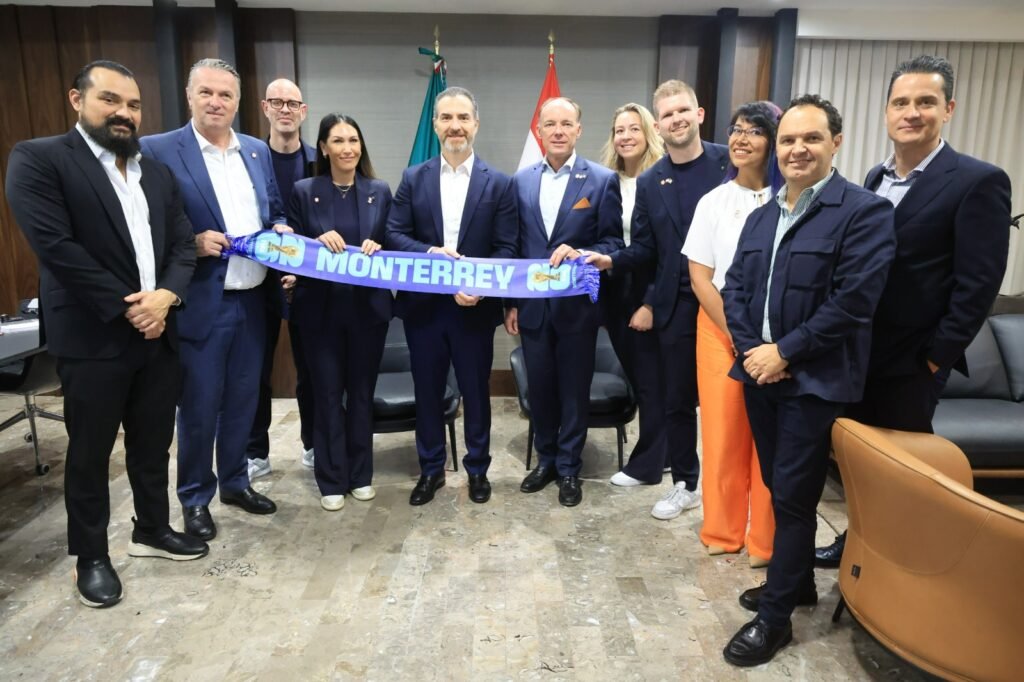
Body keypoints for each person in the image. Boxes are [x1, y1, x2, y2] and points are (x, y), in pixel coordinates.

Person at [6, 60, 208, 608]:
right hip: (94, 336)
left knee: (152, 443)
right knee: (90, 453)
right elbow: (57, 248)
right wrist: (133, 309)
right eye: (111, 100)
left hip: (159, 331)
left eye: (134, 105)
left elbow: (182, 245)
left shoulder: (155, 173)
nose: (124, 113)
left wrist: (166, 297)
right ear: (77, 100)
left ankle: (152, 529)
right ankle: (90, 556)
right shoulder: (40, 159)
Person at [814, 55, 1012, 568]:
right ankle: (860, 543)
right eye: (901, 102)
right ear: (886, 112)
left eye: (926, 102)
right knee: (862, 461)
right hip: (860, 353)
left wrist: (935, 357)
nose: (912, 112)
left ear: (948, 109)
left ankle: (898, 566)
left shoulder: (978, 181)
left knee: (902, 468)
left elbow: (978, 284)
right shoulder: (874, 178)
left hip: (912, 361)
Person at [719, 95, 896, 666]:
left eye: (811, 138)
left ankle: (775, 621)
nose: (798, 149)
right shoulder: (762, 216)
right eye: (789, 140)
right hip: (759, 375)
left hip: (814, 382)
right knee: (779, 486)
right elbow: (734, 290)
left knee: (794, 497)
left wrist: (785, 353)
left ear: (835, 143)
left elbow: (854, 301)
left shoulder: (864, 212)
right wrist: (753, 351)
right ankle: (796, 584)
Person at [141, 58, 289, 541]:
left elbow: (273, 210)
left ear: (238, 102)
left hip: (254, 299)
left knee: (244, 399)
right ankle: (194, 498)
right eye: (206, 92)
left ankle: (235, 482)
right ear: (189, 97)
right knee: (200, 406)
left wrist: (282, 231)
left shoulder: (256, 151)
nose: (215, 102)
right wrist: (192, 243)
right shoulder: (159, 149)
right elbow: (144, 226)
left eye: (225, 94)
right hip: (203, 301)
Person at [586, 81, 728, 519]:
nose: (676, 119)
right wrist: (610, 261)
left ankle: (737, 491)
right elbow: (647, 249)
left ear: (699, 114)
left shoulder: (730, 163)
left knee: (730, 402)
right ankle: (686, 484)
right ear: (660, 125)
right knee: (677, 400)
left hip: (731, 301)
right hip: (676, 305)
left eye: (682, 110)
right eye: (668, 114)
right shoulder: (651, 181)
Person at [386, 86, 518, 506]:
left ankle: (477, 469)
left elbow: (507, 248)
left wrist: (480, 286)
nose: (455, 126)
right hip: (424, 310)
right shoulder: (413, 178)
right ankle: (431, 470)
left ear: (476, 124)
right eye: (447, 117)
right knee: (428, 393)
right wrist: (429, 253)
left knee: (476, 393)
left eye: (463, 117)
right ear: (435, 124)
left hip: (473, 310)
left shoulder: (500, 183)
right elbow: (393, 233)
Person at [505, 96, 624, 507]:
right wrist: (510, 303)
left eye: (566, 124)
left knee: (574, 391)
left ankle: (570, 467)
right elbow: (514, 247)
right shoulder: (519, 181)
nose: (558, 131)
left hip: (577, 309)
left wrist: (585, 253)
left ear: (578, 130)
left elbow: (613, 242)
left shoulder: (601, 180)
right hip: (533, 308)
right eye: (550, 124)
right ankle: (547, 461)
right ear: (539, 130)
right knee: (540, 390)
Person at [682, 101, 782, 568]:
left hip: (778, 334)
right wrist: (740, 338)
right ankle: (723, 530)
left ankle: (766, 540)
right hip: (719, 327)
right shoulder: (713, 201)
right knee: (723, 433)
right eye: (736, 130)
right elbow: (700, 278)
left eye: (755, 131)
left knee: (769, 439)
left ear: (774, 141)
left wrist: (764, 343)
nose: (741, 139)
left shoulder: (790, 198)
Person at [288, 113, 392, 511]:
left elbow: (393, 241)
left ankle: (361, 475)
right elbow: (290, 250)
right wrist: (314, 242)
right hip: (320, 313)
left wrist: (379, 247)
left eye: (353, 140)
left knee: (362, 395)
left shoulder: (379, 191)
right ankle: (331, 479)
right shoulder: (304, 191)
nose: (347, 148)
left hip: (368, 312)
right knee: (327, 395)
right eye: (338, 141)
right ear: (324, 148)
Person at [246, 78, 317, 480]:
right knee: (256, 370)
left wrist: (300, 271)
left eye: (293, 103)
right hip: (260, 281)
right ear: (265, 108)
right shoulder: (248, 159)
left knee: (313, 370)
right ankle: (255, 452)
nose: (285, 110)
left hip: (310, 282)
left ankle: (314, 445)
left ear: (303, 111)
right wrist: (277, 268)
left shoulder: (320, 160)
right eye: (277, 102)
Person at [596, 103, 668, 488]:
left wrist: (651, 303)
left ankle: (648, 465)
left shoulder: (663, 179)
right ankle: (665, 453)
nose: (625, 136)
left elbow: (671, 250)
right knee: (643, 380)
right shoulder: (607, 180)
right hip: (615, 294)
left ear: (649, 133)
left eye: (634, 129)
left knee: (650, 383)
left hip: (648, 295)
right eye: (619, 130)